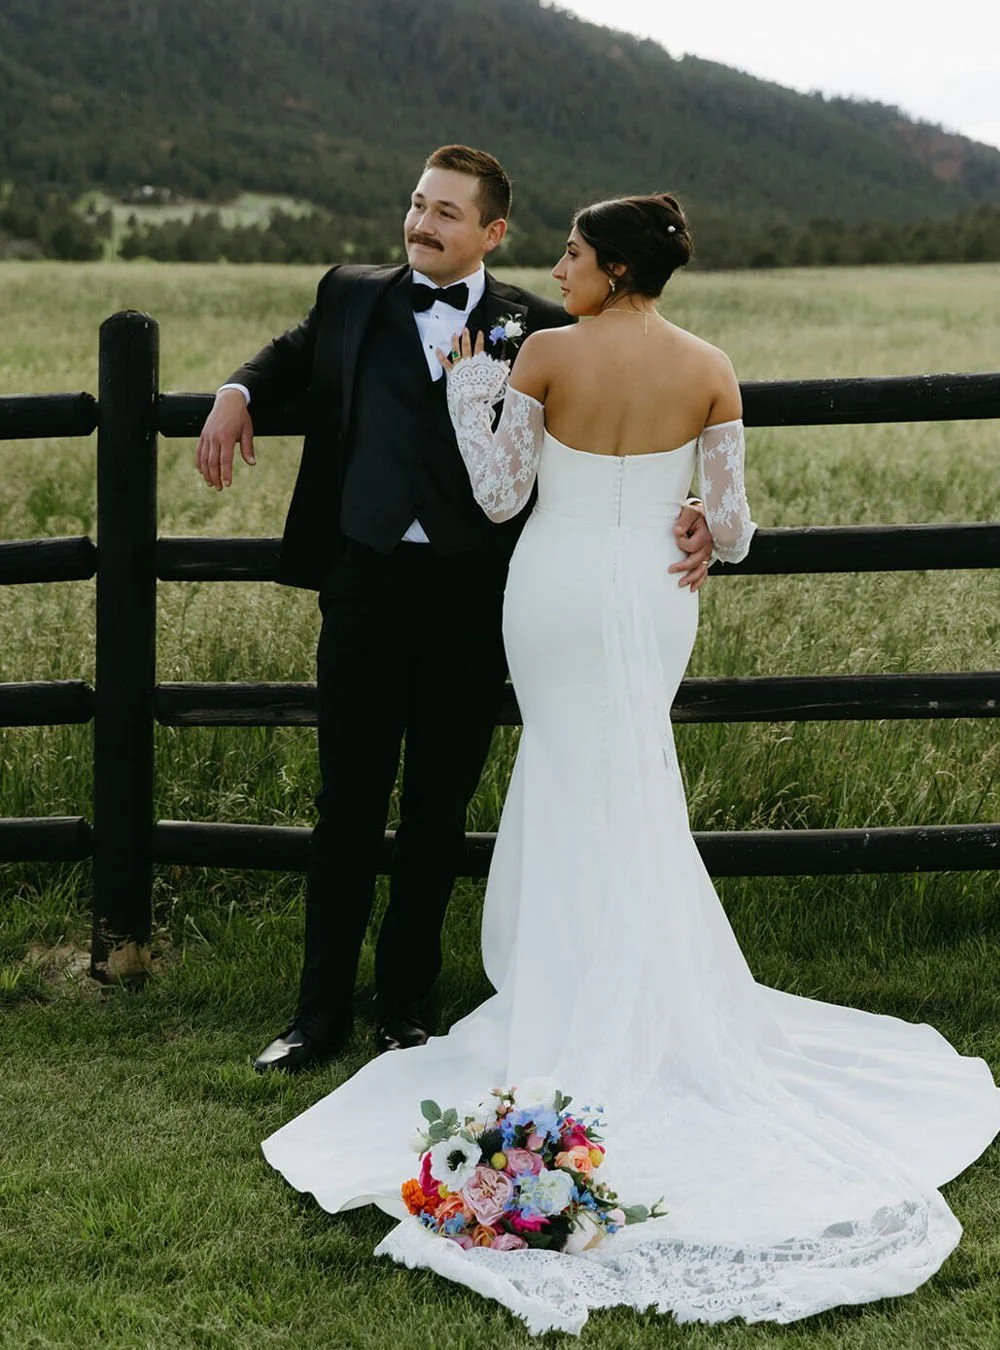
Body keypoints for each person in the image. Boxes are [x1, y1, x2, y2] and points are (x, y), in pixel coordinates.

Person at [259, 194, 1000, 1332]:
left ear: (611, 268)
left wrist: (473, 394)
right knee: (630, 780)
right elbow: (736, 529)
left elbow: (503, 493)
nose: (558, 270)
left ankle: (568, 986)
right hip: (657, 599)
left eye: (570, 254)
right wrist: (700, 523)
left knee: (566, 774)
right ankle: (634, 985)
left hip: (553, 592)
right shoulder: (711, 365)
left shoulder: (547, 352)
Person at [195, 148, 714, 1070]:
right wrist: (236, 394)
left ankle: (405, 1005)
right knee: (344, 805)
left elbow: (620, 431)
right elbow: (287, 356)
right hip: (361, 587)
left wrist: (695, 508)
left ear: (492, 232)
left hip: (479, 600)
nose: (421, 223)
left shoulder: (546, 325)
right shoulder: (351, 294)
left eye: (445, 212)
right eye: (416, 205)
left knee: (437, 812)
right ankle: (317, 1015)